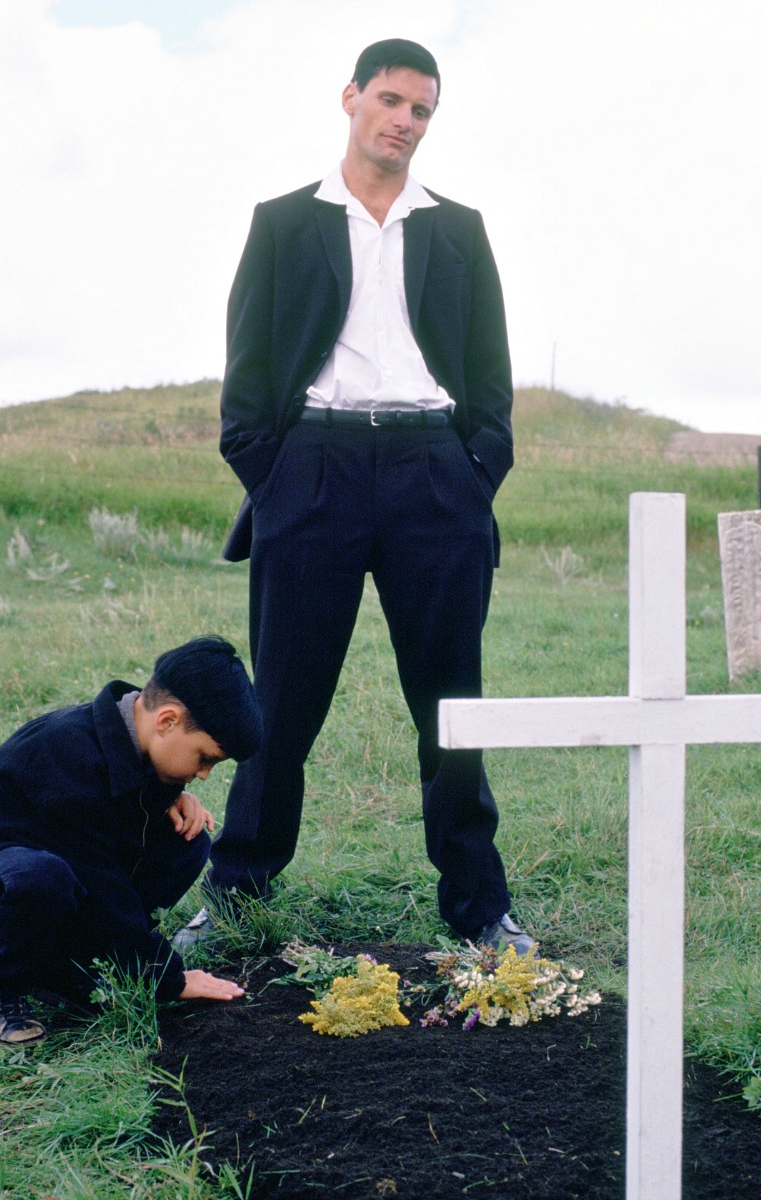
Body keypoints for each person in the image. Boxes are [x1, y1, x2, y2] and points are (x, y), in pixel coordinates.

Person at [176, 38, 534, 956]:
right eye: (390, 100)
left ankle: (478, 907)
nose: (405, 121)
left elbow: (491, 379)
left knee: (449, 703)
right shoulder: (284, 223)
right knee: (281, 702)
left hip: (433, 475)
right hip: (315, 472)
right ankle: (240, 895)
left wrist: (470, 474)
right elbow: (246, 377)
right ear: (351, 99)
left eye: (422, 109)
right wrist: (279, 478)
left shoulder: (458, 229)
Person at [0, 636, 262, 1045]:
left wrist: (169, 795)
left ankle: (78, 963)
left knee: (187, 840)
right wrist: (166, 977)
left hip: (57, 859)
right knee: (40, 878)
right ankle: (4, 990)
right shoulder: (67, 754)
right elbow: (101, 881)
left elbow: (116, 807)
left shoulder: (126, 735)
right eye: (204, 758)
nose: (205, 773)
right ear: (167, 721)